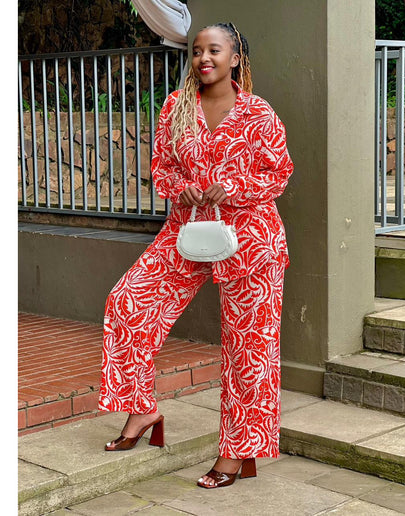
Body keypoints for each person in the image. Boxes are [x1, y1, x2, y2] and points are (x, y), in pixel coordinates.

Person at [98, 22, 294, 489]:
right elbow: (162, 166)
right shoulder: (176, 107)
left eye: (214, 50)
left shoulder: (258, 113)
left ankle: (238, 451)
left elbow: (279, 173)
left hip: (251, 240)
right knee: (127, 303)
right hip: (187, 232)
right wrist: (180, 187)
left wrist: (234, 186)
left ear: (235, 58)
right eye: (196, 51)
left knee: (250, 351)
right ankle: (143, 410)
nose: (204, 58)